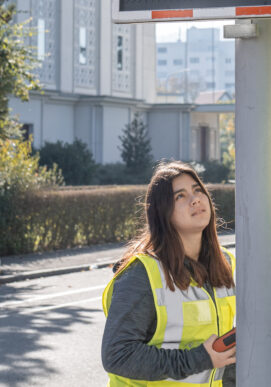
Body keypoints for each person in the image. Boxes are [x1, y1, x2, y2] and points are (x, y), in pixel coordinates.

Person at [101, 161, 236, 386]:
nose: (195, 199)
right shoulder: (142, 274)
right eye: (180, 196)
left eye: (197, 190)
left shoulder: (226, 263)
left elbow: (224, 352)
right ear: (163, 213)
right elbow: (117, 355)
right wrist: (198, 359)